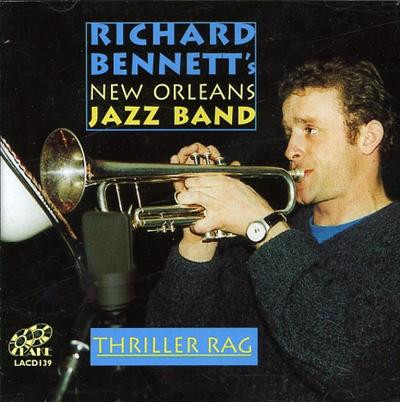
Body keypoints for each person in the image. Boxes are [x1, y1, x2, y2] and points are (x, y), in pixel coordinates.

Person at [146, 57, 400, 401]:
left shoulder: (388, 240)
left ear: (368, 137)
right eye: (289, 132)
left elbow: (347, 364)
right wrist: (198, 236)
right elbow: (171, 359)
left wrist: (263, 227)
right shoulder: (263, 245)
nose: (290, 149)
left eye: (310, 130)